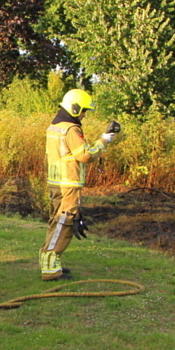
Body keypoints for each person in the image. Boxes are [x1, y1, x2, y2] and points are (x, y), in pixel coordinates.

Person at [39, 89, 117, 281]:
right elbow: (85, 155)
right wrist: (105, 139)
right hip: (68, 184)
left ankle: (50, 263)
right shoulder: (71, 129)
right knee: (64, 223)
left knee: (56, 222)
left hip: (57, 182)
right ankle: (50, 267)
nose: (83, 115)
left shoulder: (54, 126)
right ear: (74, 108)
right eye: (83, 111)